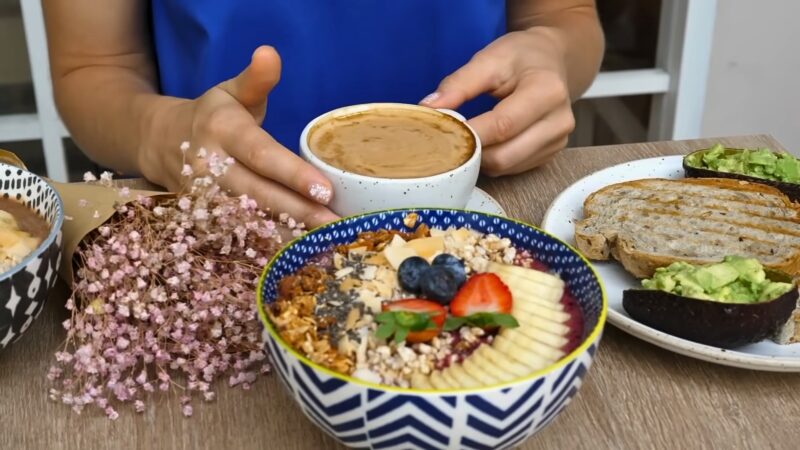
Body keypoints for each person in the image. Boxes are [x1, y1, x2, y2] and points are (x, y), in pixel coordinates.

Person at [44, 1, 604, 227]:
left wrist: (552, 53)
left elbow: (565, 14)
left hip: (492, 209)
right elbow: (94, 64)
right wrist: (157, 135)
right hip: (223, 222)